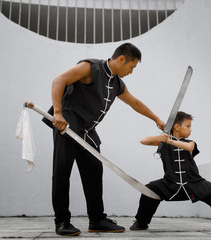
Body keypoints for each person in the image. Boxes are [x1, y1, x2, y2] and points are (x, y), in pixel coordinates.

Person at [45, 43, 166, 236]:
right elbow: (58, 80)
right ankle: (62, 222)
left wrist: (157, 119)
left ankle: (97, 219)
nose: (131, 72)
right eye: (131, 67)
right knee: (62, 174)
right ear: (121, 59)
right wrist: (58, 113)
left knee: (94, 172)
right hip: (67, 126)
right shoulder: (90, 67)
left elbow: (134, 102)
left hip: (88, 131)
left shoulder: (117, 82)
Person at [130, 111, 211, 232]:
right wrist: (161, 137)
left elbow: (189, 147)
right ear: (177, 127)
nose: (190, 129)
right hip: (170, 183)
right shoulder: (163, 142)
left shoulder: (190, 142)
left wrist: (169, 141)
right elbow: (143, 140)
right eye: (188, 126)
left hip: (194, 182)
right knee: (148, 190)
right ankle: (141, 222)